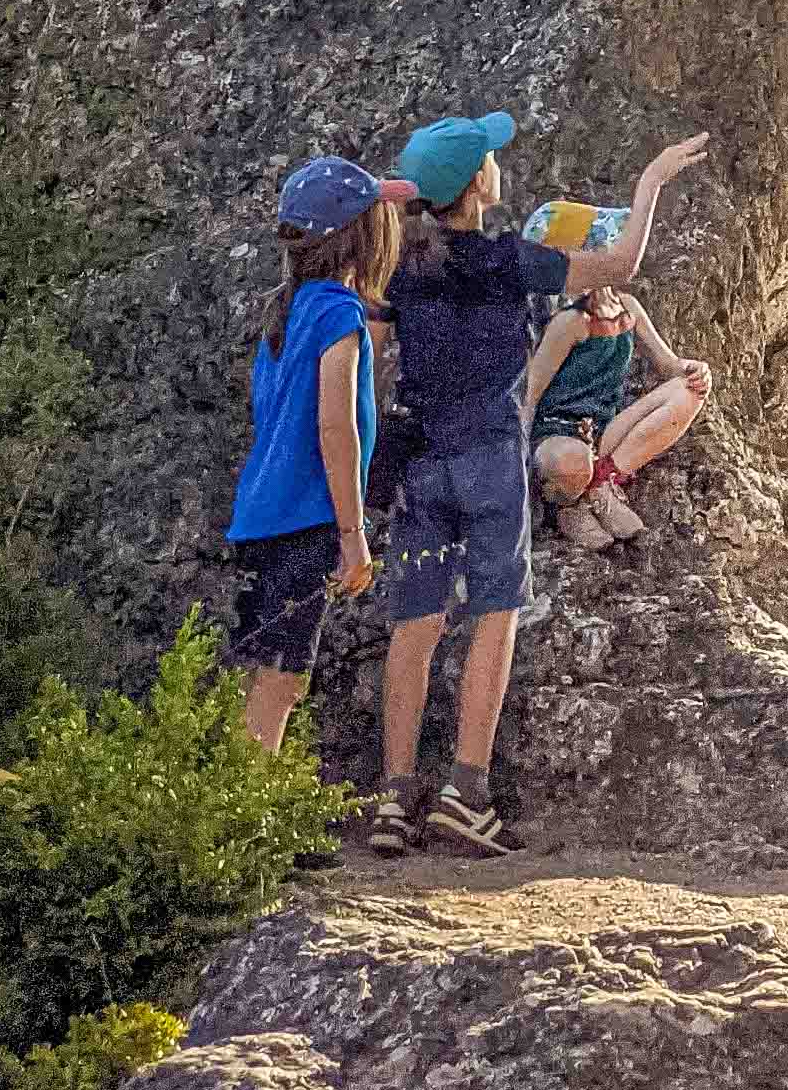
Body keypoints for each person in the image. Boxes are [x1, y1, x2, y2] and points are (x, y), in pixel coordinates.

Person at [373, 111, 710, 854]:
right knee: (495, 615)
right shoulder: (507, 260)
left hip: (423, 456)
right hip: (490, 458)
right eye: (489, 159)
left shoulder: (405, 264)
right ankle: (466, 791)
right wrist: (651, 181)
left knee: (414, 626)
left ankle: (394, 801)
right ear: (476, 186)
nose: (498, 165)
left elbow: (372, 350)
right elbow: (618, 266)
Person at [225, 155, 398, 755]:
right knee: (281, 677)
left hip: (259, 513)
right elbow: (337, 425)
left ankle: (244, 814)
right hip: (306, 519)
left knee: (262, 672)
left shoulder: (287, 308)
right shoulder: (337, 312)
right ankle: (246, 826)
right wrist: (353, 534)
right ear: (362, 237)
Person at [521, 198, 715, 551]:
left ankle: (602, 481)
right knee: (569, 461)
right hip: (559, 435)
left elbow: (669, 364)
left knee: (686, 391)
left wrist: (695, 370)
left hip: (603, 430)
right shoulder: (571, 322)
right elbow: (531, 394)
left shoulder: (627, 308)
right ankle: (569, 504)